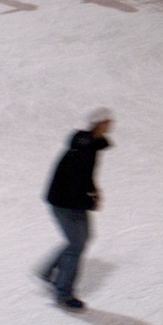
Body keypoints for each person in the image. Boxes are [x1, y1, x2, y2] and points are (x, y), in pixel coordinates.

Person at [40, 109, 112, 310]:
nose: (110, 125)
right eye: (107, 122)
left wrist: (94, 191)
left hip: (72, 201)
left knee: (82, 239)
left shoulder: (90, 147)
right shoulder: (82, 150)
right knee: (77, 245)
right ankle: (63, 293)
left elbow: (86, 177)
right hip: (64, 203)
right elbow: (73, 183)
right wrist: (89, 201)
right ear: (99, 124)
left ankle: (48, 271)